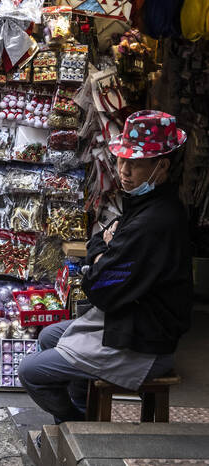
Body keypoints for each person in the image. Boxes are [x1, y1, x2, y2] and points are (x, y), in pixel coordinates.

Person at [18, 110, 192, 426]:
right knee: (47, 336)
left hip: (143, 339)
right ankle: (82, 417)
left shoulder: (154, 222)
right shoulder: (146, 205)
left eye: (135, 163)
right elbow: (99, 243)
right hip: (127, 319)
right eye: (121, 161)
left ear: (161, 165)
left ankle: (75, 426)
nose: (123, 171)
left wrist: (102, 257)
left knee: (30, 372)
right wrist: (103, 254)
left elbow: (100, 288)